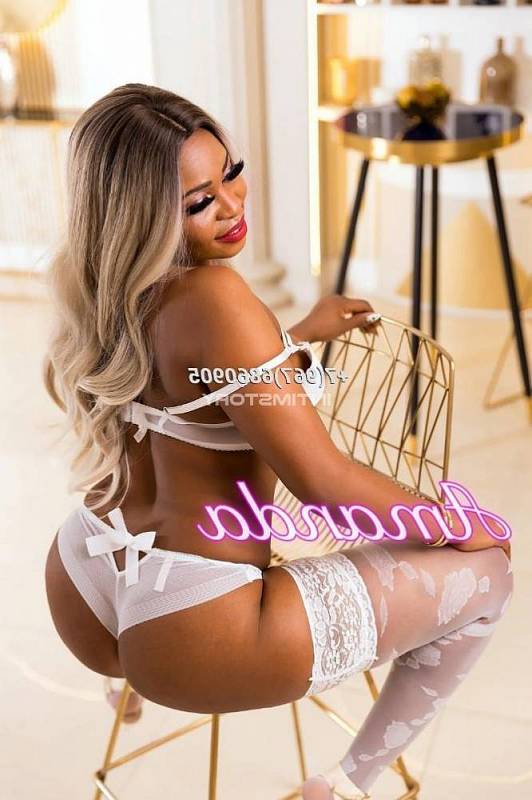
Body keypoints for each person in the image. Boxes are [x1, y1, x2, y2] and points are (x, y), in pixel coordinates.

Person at [43, 84, 513, 800]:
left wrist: (291, 339)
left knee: (145, 630)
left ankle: (126, 681)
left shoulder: (114, 284)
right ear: (141, 216)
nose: (232, 205)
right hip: (194, 622)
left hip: (86, 579)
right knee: (489, 578)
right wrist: (457, 524)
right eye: (199, 202)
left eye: (230, 173)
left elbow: (199, 390)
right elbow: (323, 482)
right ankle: (345, 786)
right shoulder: (217, 298)